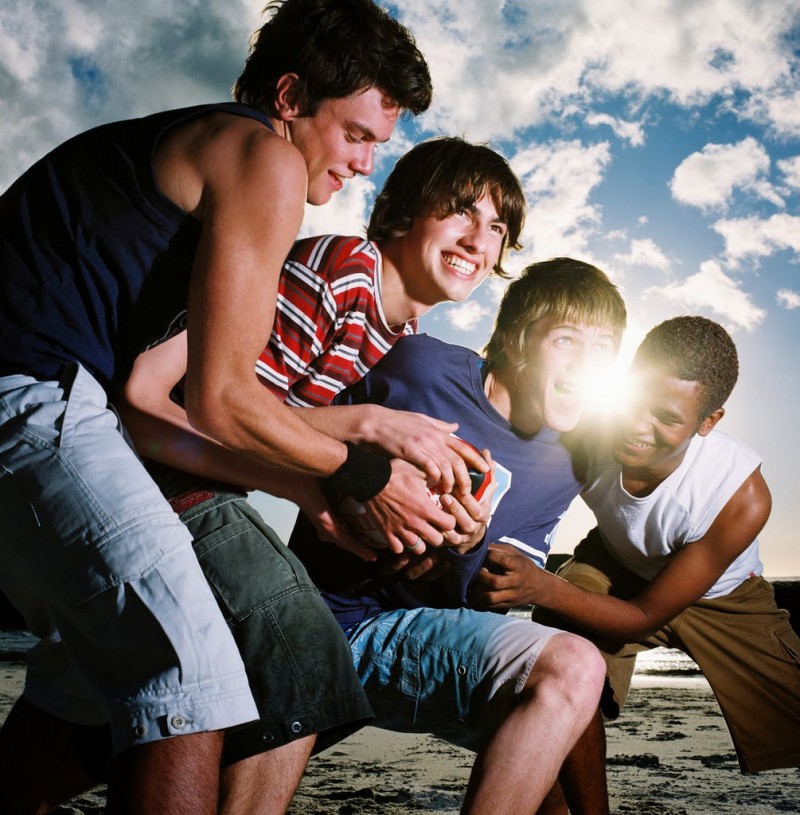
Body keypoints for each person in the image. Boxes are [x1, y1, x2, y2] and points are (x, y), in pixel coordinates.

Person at [0, 1, 432, 812]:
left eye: (379, 142)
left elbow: (157, 405)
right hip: (29, 391)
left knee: (86, 700)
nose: (365, 163)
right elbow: (224, 398)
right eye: (356, 134)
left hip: (59, 407)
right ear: (291, 96)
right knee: (191, 676)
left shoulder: (202, 165)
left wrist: (309, 487)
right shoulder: (264, 156)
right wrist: (360, 471)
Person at [117, 135, 525, 813]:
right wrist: (364, 429)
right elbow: (199, 402)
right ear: (403, 209)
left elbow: (301, 442)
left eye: (498, 228)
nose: (479, 240)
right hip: (155, 474)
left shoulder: (398, 338)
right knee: (305, 657)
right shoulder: (346, 268)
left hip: (205, 481)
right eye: (461, 211)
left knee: (72, 732)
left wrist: (440, 520)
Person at [287, 258, 628, 815]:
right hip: (309, 617)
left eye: (604, 346)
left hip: (408, 635)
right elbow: (283, 420)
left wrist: (465, 550)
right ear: (515, 341)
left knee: (567, 709)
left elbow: (486, 596)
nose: (587, 362)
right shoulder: (419, 365)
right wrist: (355, 485)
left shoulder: (569, 463)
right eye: (566, 340)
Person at [475, 316, 800, 809]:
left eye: (666, 417)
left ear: (709, 422)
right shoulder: (585, 431)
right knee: (559, 684)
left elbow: (645, 616)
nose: (637, 425)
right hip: (613, 565)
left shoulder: (741, 496)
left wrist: (541, 586)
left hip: (724, 596)